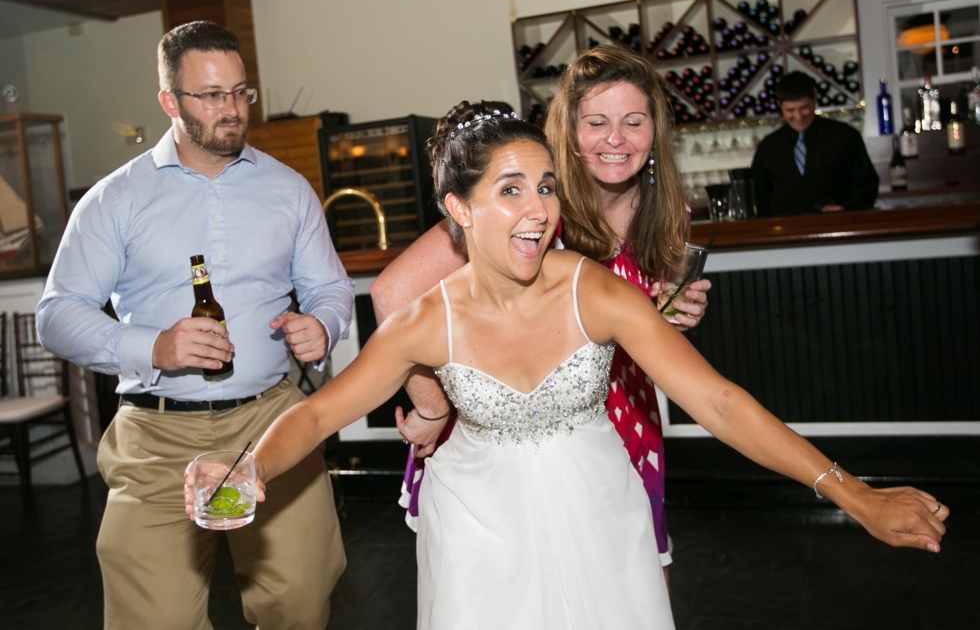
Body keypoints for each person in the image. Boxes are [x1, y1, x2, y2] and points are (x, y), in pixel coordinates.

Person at [208, 101, 947, 630]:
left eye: (547, 185)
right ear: (457, 210)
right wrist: (247, 473)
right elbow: (316, 412)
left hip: (600, 511)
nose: (540, 209)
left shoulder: (593, 289)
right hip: (475, 525)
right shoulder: (424, 324)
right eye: (510, 190)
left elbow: (717, 402)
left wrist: (856, 498)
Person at [36, 21, 352, 630]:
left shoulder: (288, 190)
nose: (232, 110)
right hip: (156, 440)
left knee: (299, 604)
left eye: (240, 92)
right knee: (153, 621)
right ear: (169, 102)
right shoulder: (113, 200)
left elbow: (330, 288)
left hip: (273, 424)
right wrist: (153, 345)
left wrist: (325, 323)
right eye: (211, 95)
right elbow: (58, 315)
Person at [371, 45, 709, 578]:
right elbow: (392, 294)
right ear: (567, 132)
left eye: (633, 122)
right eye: (596, 122)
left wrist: (671, 307)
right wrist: (433, 406)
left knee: (633, 579)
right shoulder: (533, 199)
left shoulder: (668, 207)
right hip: (521, 425)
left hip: (625, 412)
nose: (616, 139)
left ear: (655, 131)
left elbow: (637, 310)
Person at [751, 71, 879, 216]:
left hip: (837, 227)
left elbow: (867, 183)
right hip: (786, 232)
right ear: (779, 105)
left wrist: (846, 207)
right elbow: (759, 196)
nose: (798, 116)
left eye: (804, 108)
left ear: (815, 98)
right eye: (790, 110)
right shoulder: (768, 147)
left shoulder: (845, 135)